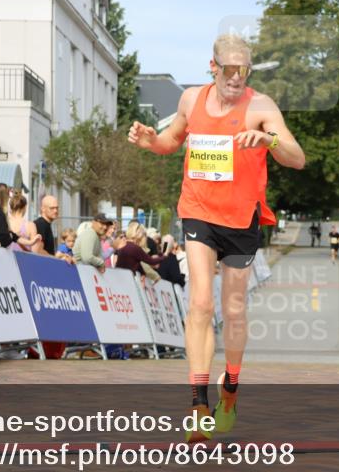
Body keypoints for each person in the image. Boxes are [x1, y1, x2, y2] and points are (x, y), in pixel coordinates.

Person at [128, 32, 305, 441]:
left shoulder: (260, 106)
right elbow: (171, 141)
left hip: (242, 219)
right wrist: (149, 141)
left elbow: (297, 157)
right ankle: (198, 404)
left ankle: (231, 388)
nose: (237, 78)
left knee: (235, 309)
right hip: (199, 211)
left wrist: (269, 139)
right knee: (202, 302)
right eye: (230, 70)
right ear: (213, 67)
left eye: (244, 70)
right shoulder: (191, 99)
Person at [34, 195, 74, 264]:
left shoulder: (46, 224)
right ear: (43, 209)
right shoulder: (41, 224)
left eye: (57, 208)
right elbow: (38, 250)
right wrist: (56, 259)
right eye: (52, 208)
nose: (55, 211)